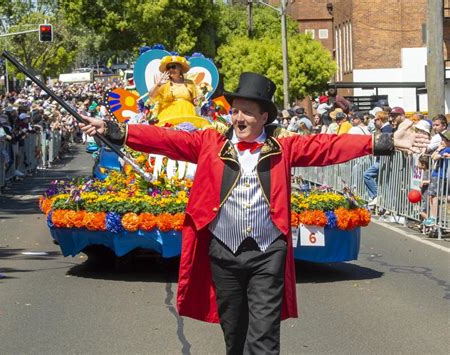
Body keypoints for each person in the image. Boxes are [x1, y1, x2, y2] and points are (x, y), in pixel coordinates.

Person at [80, 72, 427, 354]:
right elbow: (163, 139)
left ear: (264, 117)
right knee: (235, 333)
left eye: (248, 111)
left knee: (263, 338)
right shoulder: (209, 144)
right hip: (222, 251)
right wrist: (113, 129)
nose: (239, 117)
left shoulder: (284, 147)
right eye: (235, 110)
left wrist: (384, 142)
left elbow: (327, 147)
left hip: (267, 253)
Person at [149, 55, 209, 128]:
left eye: (173, 67)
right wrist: (158, 84)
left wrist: (199, 99)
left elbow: (195, 102)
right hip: (168, 116)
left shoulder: (190, 83)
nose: (171, 69)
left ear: (180, 69)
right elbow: (152, 95)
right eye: (168, 68)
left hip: (188, 114)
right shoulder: (164, 83)